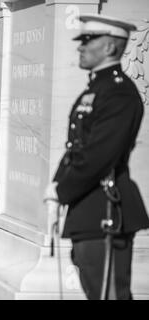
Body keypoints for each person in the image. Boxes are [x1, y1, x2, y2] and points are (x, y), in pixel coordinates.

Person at [44, 14, 149, 299]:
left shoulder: (119, 93)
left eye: (89, 41)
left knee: (109, 295)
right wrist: (55, 188)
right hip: (88, 209)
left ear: (111, 48)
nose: (80, 46)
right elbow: (76, 147)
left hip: (105, 209)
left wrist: (61, 191)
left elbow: (99, 156)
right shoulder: (97, 88)